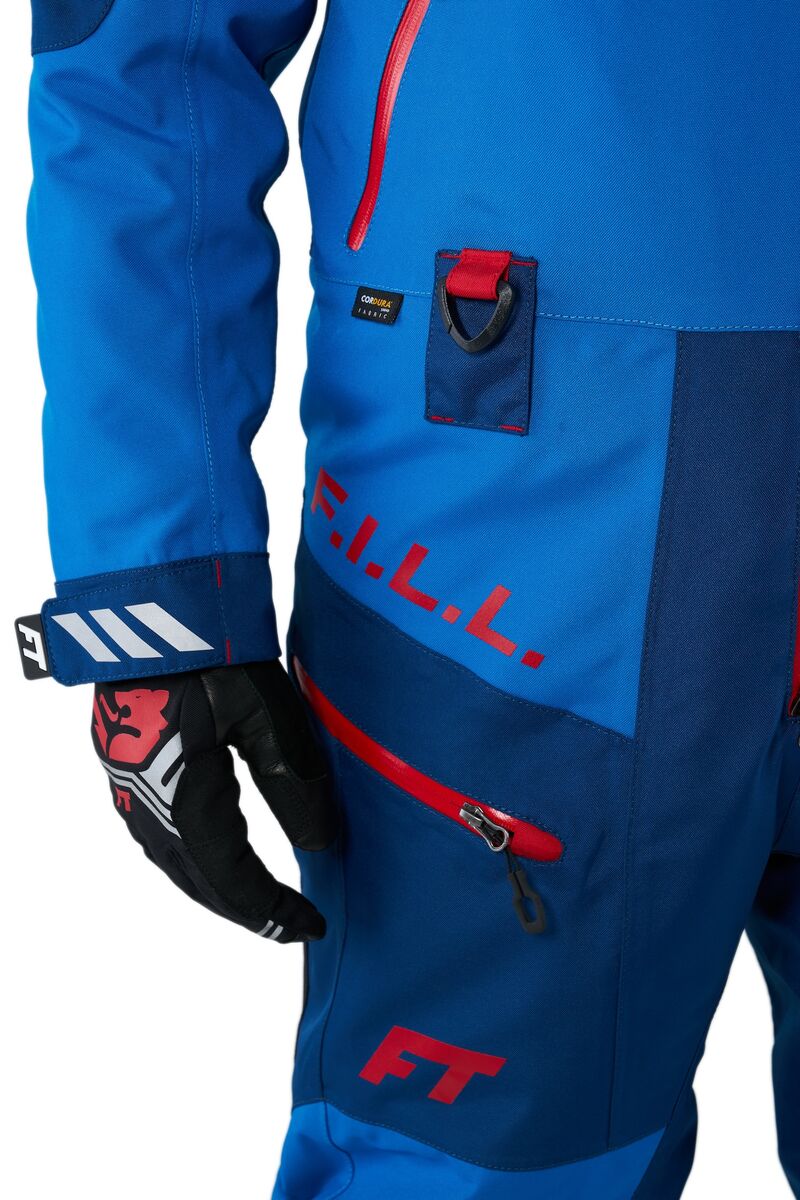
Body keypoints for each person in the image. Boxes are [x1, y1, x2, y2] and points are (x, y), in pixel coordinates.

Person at [17, 1, 800, 1197]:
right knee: (473, 1166)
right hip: (524, 492)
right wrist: (160, 594)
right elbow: (145, 55)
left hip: (528, 457)